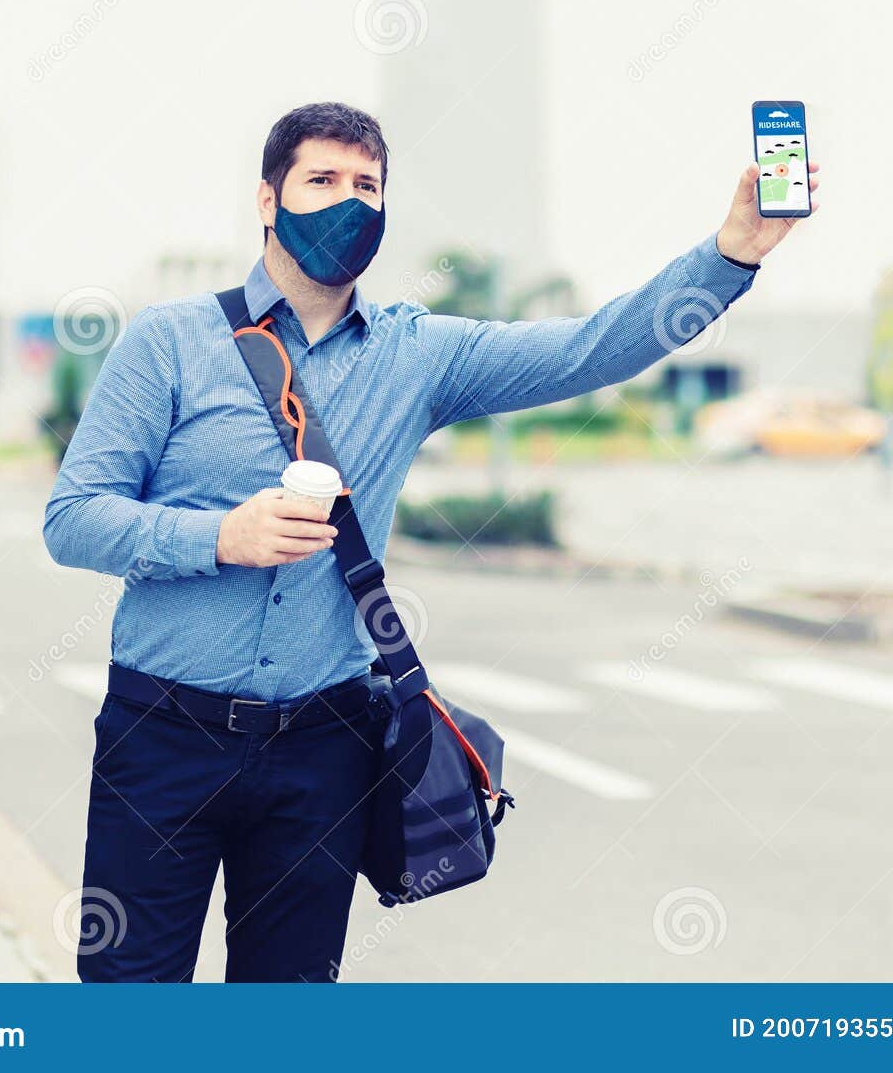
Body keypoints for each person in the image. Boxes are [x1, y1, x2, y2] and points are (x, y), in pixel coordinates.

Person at [41, 101, 818, 982]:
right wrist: (221, 534)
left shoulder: (416, 354)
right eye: (322, 180)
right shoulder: (169, 343)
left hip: (322, 745)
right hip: (164, 733)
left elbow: (590, 350)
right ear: (268, 198)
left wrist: (731, 255)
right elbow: (73, 516)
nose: (348, 202)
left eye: (366, 185)